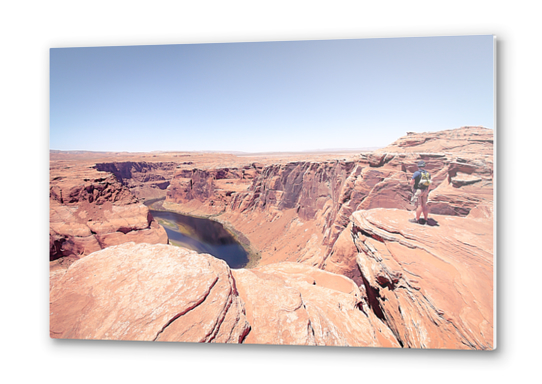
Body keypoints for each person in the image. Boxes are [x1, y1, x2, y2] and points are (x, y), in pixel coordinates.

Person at [409, 160, 431, 224]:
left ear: (418, 166)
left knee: (419, 205)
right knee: (424, 205)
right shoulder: (428, 173)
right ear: (424, 166)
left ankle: (417, 219)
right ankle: (425, 219)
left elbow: (411, 182)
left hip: (418, 190)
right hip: (425, 190)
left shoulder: (417, 173)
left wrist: (411, 184)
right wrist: (427, 191)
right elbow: (429, 184)